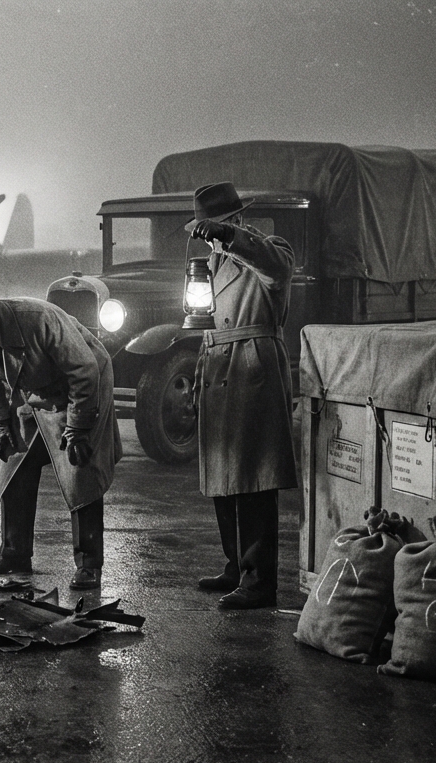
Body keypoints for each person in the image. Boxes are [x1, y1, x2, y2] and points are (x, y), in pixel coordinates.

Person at [0, 280, 122, 590]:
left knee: (81, 469)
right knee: (14, 460)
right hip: (36, 390)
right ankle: (14, 555)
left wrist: (78, 427)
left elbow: (84, 369)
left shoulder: (38, 319)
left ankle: (90, 565)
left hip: (84, 385)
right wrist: (1, 427)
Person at [186, 181, 298, 609]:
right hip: (219, 361)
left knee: (252, 478)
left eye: (213, 226)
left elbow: (277, 268)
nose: (208, 235)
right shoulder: (212, 261)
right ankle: (235, 565)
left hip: (252, 363)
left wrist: (230, 240)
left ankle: (258, 581)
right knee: (224, 476)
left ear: (234, 221)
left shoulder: (268, 248)